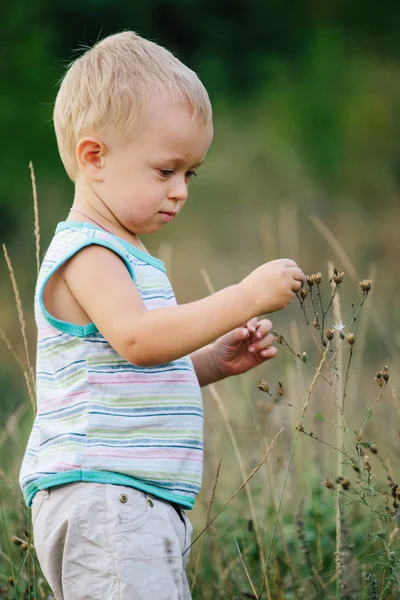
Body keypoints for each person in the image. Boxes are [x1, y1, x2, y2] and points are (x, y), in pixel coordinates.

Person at [19, 31, 304, 600]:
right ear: (94, 156)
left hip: (134, 499)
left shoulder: (128, 255)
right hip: (106, 496)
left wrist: (207, 363)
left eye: (190, 174)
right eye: (165, 170)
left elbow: (129, 367)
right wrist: (244, 295)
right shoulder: (91, 252)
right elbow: (139, 340)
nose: (180, 191)